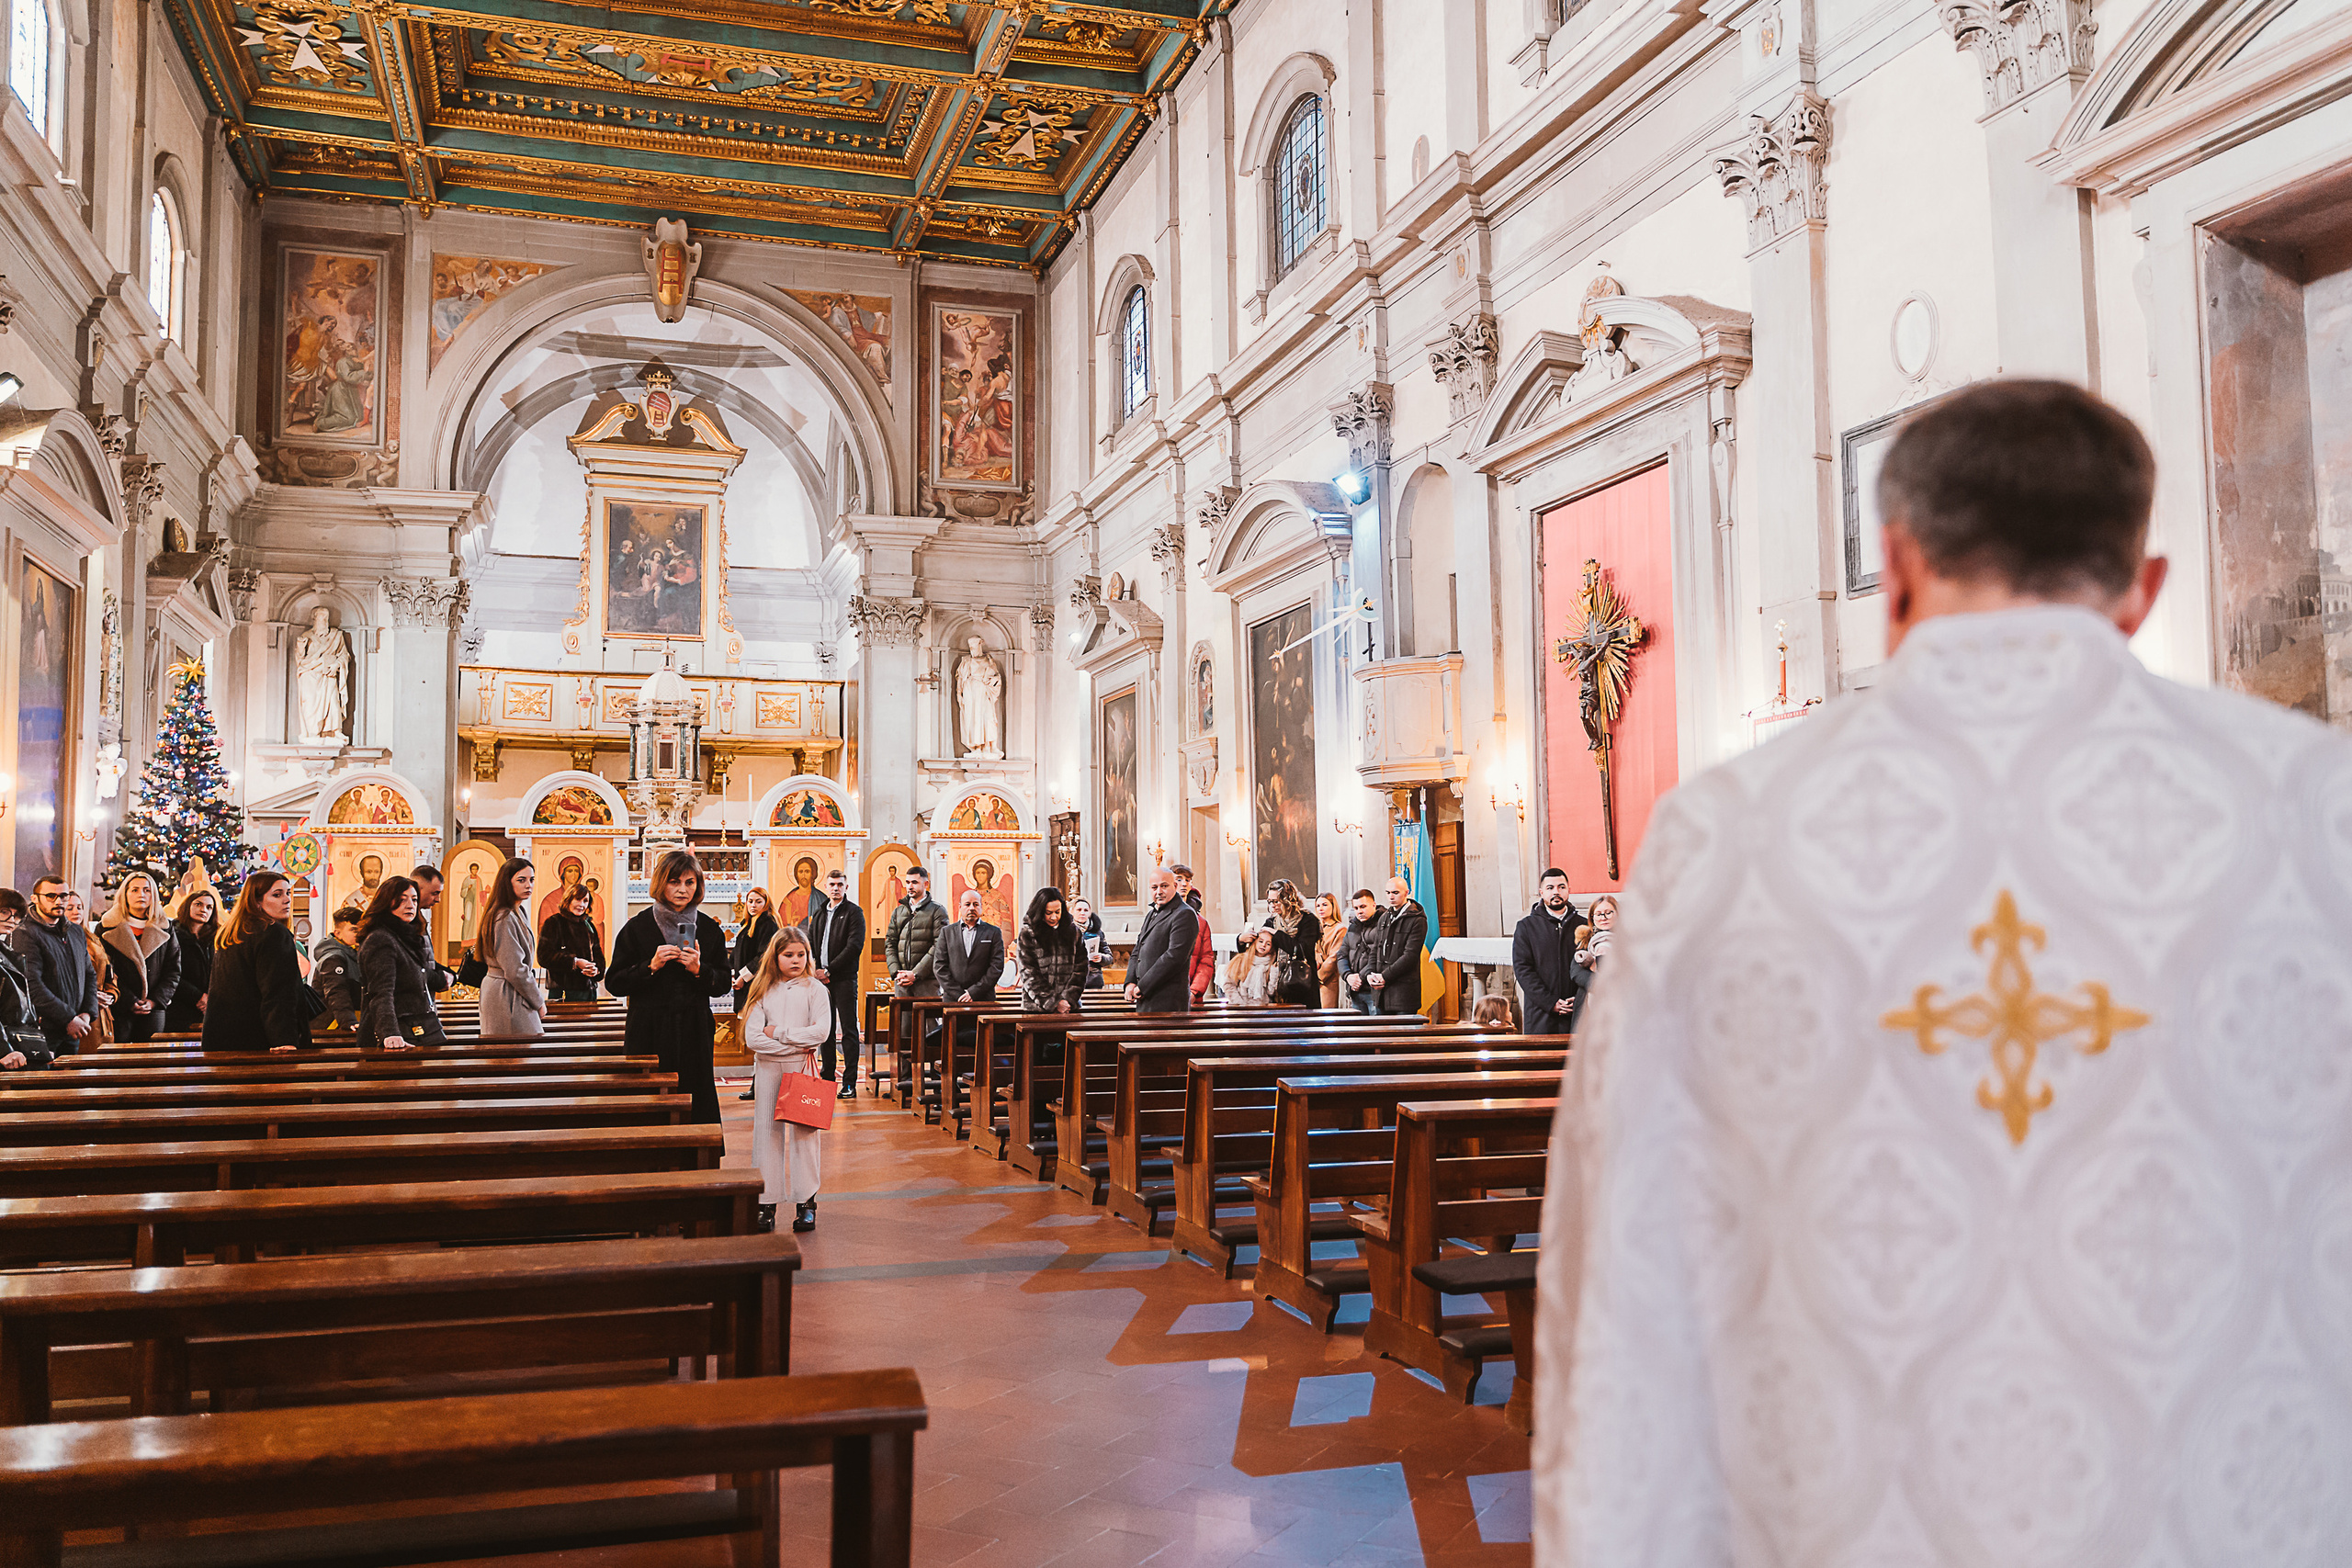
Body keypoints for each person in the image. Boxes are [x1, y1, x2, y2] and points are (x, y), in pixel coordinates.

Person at [1531, 379, 2352, 1563]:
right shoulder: (2315, 805)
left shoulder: (1725, 835)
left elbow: (1627, 1243)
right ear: (2143, 586)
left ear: (1898, 568)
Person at [605, 848, 731, 1124]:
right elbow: (614, 982)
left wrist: (700, 970)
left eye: (690, 882)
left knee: (695, 1098)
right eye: (674, 882)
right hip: (648, 1028)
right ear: (661, 883)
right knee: (647, 1102)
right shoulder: (637, 927)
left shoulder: (709, 929)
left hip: (693, 1029)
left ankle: (696, 1147)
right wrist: (649, 966)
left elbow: (723, 982)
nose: (682, 889)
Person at [741, 925, 829, 1235]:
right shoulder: (762, 989)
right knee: (767, 1134)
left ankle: (806, 1203)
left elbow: (821, 1032)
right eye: (788, 954)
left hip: (801, 1069)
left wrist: (778, 1033)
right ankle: (766, 1203)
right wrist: (794, 1044)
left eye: (801, 954)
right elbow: (753, 1038)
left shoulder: (816, 989)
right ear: (775, 956)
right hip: (768, 1069)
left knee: (805, 1135)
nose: (796, 960)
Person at [203, 871, 311, 1054]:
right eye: (277, 895)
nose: (287, 900)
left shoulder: (233, 932)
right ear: (256, 901)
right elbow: (278, 992)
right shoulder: (273, 933)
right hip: (259, 1039)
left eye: (288, 893)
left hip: (223, 1037)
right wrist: (284, 1040)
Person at [356, 875, 446, 1053]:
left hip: (413, 1028)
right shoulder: (381, 939)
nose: (410, 905)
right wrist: (390, 1033)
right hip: (394, 1034)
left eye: (414, 899)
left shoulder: (406, 938)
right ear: (386, 902)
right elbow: (381, 992)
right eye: (402, 900)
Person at [12, 876, 96, 1055]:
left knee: (71, 1073)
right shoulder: (25, 933)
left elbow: (89, 974)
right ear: (35, 898)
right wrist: (68, 1018)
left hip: (74, 1026)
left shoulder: (75, 931)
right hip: (43, 1028)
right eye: (51, 896)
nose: (58, 902)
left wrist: (87, 1013)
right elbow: (31, 984)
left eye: (63, 896)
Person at [97, 872, 181, 1044]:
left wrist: (155, 1000)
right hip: (120, 1005)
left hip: (153, 1007)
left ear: (153, 895)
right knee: (117, 1057)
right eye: (134, 890)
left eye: (146, 890)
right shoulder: (106, 927)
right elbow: (104, 968)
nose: (141, 895)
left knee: (151, 1056)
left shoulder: (165, 927)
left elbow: (173, 969)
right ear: (125, 894)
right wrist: (129, 1000)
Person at [806, 868, 866, 1091]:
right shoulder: (819, 913)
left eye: (840, 885)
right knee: (826, 1030)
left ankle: (849, 1083)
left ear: (846, 887)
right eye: (832, 885)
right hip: (820, 980)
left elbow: (854, 946)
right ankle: (827, 1079)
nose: (836, 888)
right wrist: (815, 969)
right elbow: (811, 943)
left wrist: (829, 971)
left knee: (849, 1030)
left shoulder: (854, 912)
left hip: (844, 979)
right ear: (826, 887)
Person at [477, 858, 546, 1038]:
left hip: (511, 989)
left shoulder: (518, 911)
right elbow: (515, 969)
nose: (528, 885)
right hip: (505, 993)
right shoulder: (504, 917)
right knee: (516, 1048)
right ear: (507, 883)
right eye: (521, 880)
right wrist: (538, 1001)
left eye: (531, 880)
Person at [1510, 869, 1580, 1036]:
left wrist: (1580, 999)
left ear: (1569, 890)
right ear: (1541, 893)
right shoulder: (1526, 927)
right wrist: (1550, 1002)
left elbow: (1590, 970)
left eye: (1561, 887)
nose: (1556, 892)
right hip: (1540, 1014)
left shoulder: (1583, 926)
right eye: (1550, 888)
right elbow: (1523, 970)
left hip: (1576, 1013)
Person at [1124, 867, 1198, 1014]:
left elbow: (1174, 957)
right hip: (1146, 998)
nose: (1159, 891)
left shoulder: (1184, 914)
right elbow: (1137, 950)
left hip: (1169, 1001)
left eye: (1164, 886)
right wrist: (1130, 982)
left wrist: (1143, 986)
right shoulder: (1151, 914)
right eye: (1154, 887)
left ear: (1175, 886)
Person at [0, 890, 55, 1069]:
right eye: (4, 912)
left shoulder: (8, 952)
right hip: (7, 1052)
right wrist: (3, 1050)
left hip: (16, 1044)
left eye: (16, 915)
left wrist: (37, 1046)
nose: (11, 919)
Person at [1015, 886, 1085, 1014]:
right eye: (1048, 913)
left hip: (1069, 1007)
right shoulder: (1028, 933)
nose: (1054, 917)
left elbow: (1081, 969)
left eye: (1057, 912)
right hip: (1036, 1007)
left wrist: (1068, 999)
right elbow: (1029, 973)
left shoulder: (1073, 932)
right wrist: (1054, 1002)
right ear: (1040, 911)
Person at [933, 886, 1003, 1004]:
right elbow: (939, 966)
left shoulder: (993, 932)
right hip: (953, 999)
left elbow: (996, 967)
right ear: (960, 907)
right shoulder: (947, 932)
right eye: (967, 904)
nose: (971, 908)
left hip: (983, 998)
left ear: (981, 907)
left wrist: (973, 992)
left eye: (976, 904)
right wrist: (959, 994)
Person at [885, 866, 945, 1001]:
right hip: (902, 982)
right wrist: (896, 972)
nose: (910, 886)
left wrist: (915, 974)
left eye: (914, 882)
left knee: (929, 1016)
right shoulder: (898, 912)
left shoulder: (937, 911)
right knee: (903, 1016)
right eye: (907, 882)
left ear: (926, 884)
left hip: (927, 983)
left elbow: (939, 946)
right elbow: (890, 943)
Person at [1372, 875, 1429, 1016]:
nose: (1391, 897)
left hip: (1404, 993)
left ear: (1406, 892)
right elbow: (1375, 949)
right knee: (1381, 1030)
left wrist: (1384, 976)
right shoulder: (1384, 917)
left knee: (1403, 1030)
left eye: (1395, 893)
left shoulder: (1417, 919)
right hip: (1382, 992)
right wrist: (1370, 974)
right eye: (1388, 893)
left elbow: (1410, 956)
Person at [64, 892, 115, 1047]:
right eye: (70, 908)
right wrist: (91, 996)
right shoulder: (61, 940)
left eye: (79, 907)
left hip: (102, 1013)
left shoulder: (93, 939)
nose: (76, 912)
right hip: (79, 1012)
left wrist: (112, 993)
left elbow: (109, 971)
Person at [538, 886, 604, 1005]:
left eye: (585, 901)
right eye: (577, 899)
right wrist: (575, 962)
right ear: (568, 900)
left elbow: (598, 955)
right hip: (562, 992)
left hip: (589, 992)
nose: (581, 905)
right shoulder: (554, 922)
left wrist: (596, 969)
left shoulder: (589, 925)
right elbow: (544, 956)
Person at [165, 886, 217, 1033]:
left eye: (209, 907)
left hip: (210, 1007)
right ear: (188, 906)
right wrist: (197, 997)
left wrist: (210, 999)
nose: (204, 910)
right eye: (198, 904)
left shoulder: (216, 938)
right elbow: (169, 972)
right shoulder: (172, 934)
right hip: (179, 1005)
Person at [1262, 879, 1322, 1006]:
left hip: (1301, 983)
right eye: (1270, 901)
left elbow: (1301, 950)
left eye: (1276, 901)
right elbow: (1259, 948)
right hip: (1277, 985)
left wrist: (1277, 934)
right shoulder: (1272, 922)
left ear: (1288, 900)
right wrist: (1242, 940)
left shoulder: (1308, 920)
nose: (1272, 905)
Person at [1566, 893, 1617, 1032]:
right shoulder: (1586, 941)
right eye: (1598, 914)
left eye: (1608, 913)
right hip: (1588, 1009)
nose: (1603, 917)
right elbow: (1576, 972)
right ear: (1592, 918)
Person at [310, 906, 365, 1032]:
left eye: (362, 930)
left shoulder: (355, 954)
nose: (359, 934)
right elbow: (336, 991)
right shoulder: (333, 958)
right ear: (337, 933)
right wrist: (348, 1021)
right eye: (353, 930)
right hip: (331, 1026)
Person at [1170, 863, 1216, 1005]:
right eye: (1179, 879)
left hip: (1191, 995)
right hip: (1164, 993)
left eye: (1188, 880)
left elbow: (1206, 960)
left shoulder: (1201, 922)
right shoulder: (1159, 916)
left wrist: (1194, 991)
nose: (1184, 884)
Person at [730, 886, 779, 1014]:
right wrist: (732, 974)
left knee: (755, 1019)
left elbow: (764, 955)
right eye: (750, 901)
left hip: (758, 984)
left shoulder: (768, 924)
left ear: (766, 904)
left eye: (758, 902)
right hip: (743, 983)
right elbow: (736, 953)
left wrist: (743, 977)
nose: (753, 905)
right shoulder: (747, 925)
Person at [408, 863, 455, 996]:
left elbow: (425, 960)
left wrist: (450, 974)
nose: (438, 899)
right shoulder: (406, 921)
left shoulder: (418, 918)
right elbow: (411, 967)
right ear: (418, 888)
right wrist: (441, 979)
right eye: (435, 893)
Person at [1337, 888, 1385, 1016]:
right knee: (1358, 1027)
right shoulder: (1353, 926)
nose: (1359, 911)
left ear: (1373, 905)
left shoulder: (1383, 925)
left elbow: (1378, 956)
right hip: (1355, 990)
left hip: (1373, 990)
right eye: (1356, 908)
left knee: (1377, 1027)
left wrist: (1360, 978)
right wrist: (1347, 976)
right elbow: (1341, 955)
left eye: (1363, 907)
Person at [1225, 928, 1279, 1006]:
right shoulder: (1241, 960)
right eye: (1261, 941)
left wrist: (1274, 974)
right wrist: (1239, 1003)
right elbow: (1229, 984)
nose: (1263, 945)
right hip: (1240, 1006)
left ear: (1271, 948)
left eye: (1268, 944)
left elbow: (1270, 992)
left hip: (1262, 1007)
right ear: (1254, 942)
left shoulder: (1271, 966)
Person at [1313, 893, 1346, 1007]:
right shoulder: (1314, 927)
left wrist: (1318, 977)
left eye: (1325, 905)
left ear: (1333, 906)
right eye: (1318, 906)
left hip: (1326, 980)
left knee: (1326, 1012)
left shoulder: (1340, 929)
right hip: (1311, 978)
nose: (1321, 908)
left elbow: (1334, 957)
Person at [1072, 897, 1107, 990]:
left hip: (1093, 980)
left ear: (1090, 913)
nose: (1082, 913)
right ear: (1072, 912)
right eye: (1079, 910)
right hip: (1072, 980)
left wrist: (1101, 958)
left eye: (1086, 910)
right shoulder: (1065, 931)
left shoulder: (1097, 931)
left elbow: (1109, 957)